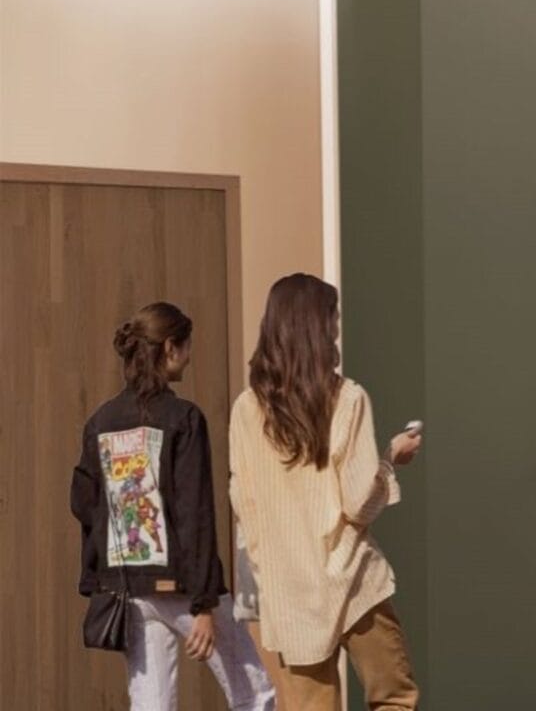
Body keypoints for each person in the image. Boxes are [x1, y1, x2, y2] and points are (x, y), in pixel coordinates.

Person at [70, 302, 276, 710]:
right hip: (183, 584)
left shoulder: (101, 422)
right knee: (253, 693)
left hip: (129, 588)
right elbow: (194, 513)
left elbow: (84, 502)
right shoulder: (183, 418)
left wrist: (101, 577)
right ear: (170, 348)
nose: (190, 356)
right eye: (187, 346)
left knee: (152, 704)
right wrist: (204, 603)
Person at [230, 273, 421, 710]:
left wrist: (270, 572)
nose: (337, 326)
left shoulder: (246, 408)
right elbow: (358, 504)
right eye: (333, 316)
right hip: (353, 581)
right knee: (394, 699)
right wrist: (390, 459)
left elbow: (244, 503)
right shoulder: (347, 398)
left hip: (289, 592)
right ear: (317, 325)